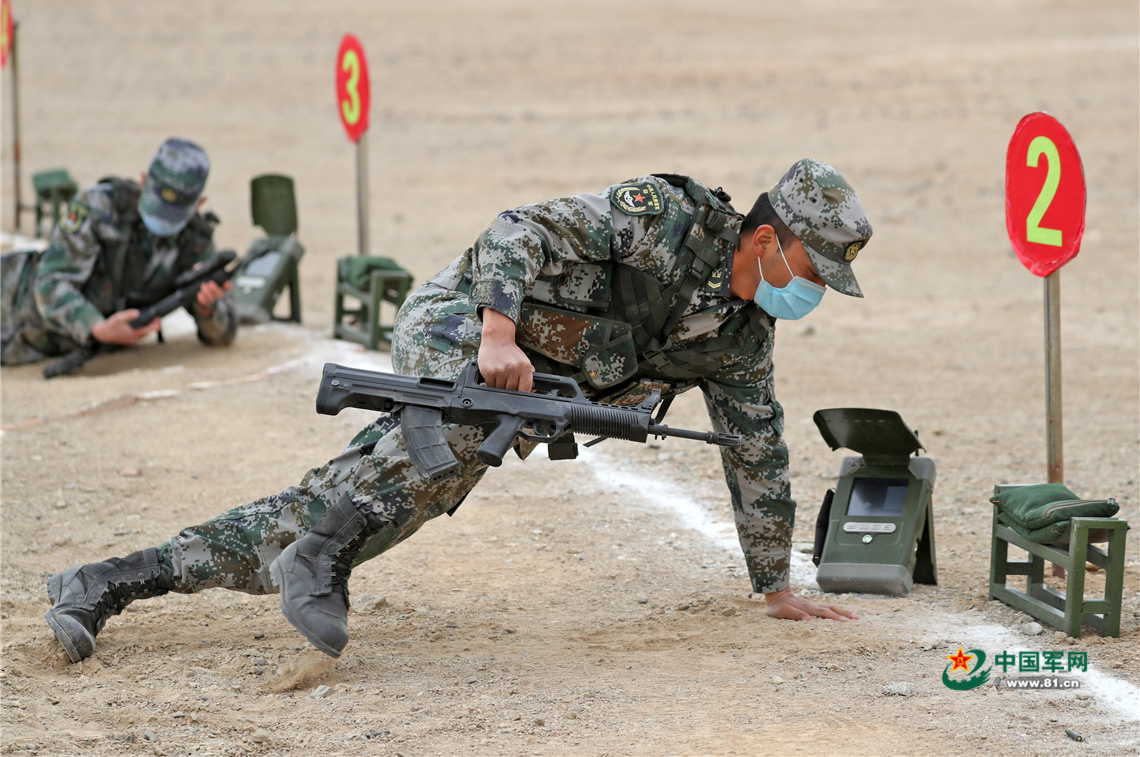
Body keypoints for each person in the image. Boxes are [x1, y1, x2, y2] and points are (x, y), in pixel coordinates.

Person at [43, 159, 871, 664]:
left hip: (521, 387)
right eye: (813, 268)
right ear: (767, 241)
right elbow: (519, 231)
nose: (814, 291)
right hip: (463, 321)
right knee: (459, 435)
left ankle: (105, 584)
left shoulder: (740, 340)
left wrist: (775, 585)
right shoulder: (663, 219)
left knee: (326, 509)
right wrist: (500, 332)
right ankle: (323, 558)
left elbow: (754, 447)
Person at [1, 137, 236, 368]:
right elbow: (50, 284)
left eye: (174, 210)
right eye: (157, 202)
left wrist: (207, 309)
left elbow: (224, 334)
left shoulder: (194, 242)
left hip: (38, 347)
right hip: (10, 302)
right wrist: (95, 327)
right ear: (143, 181)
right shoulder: (98, 208)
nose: (162, 218)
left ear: (200, 203)